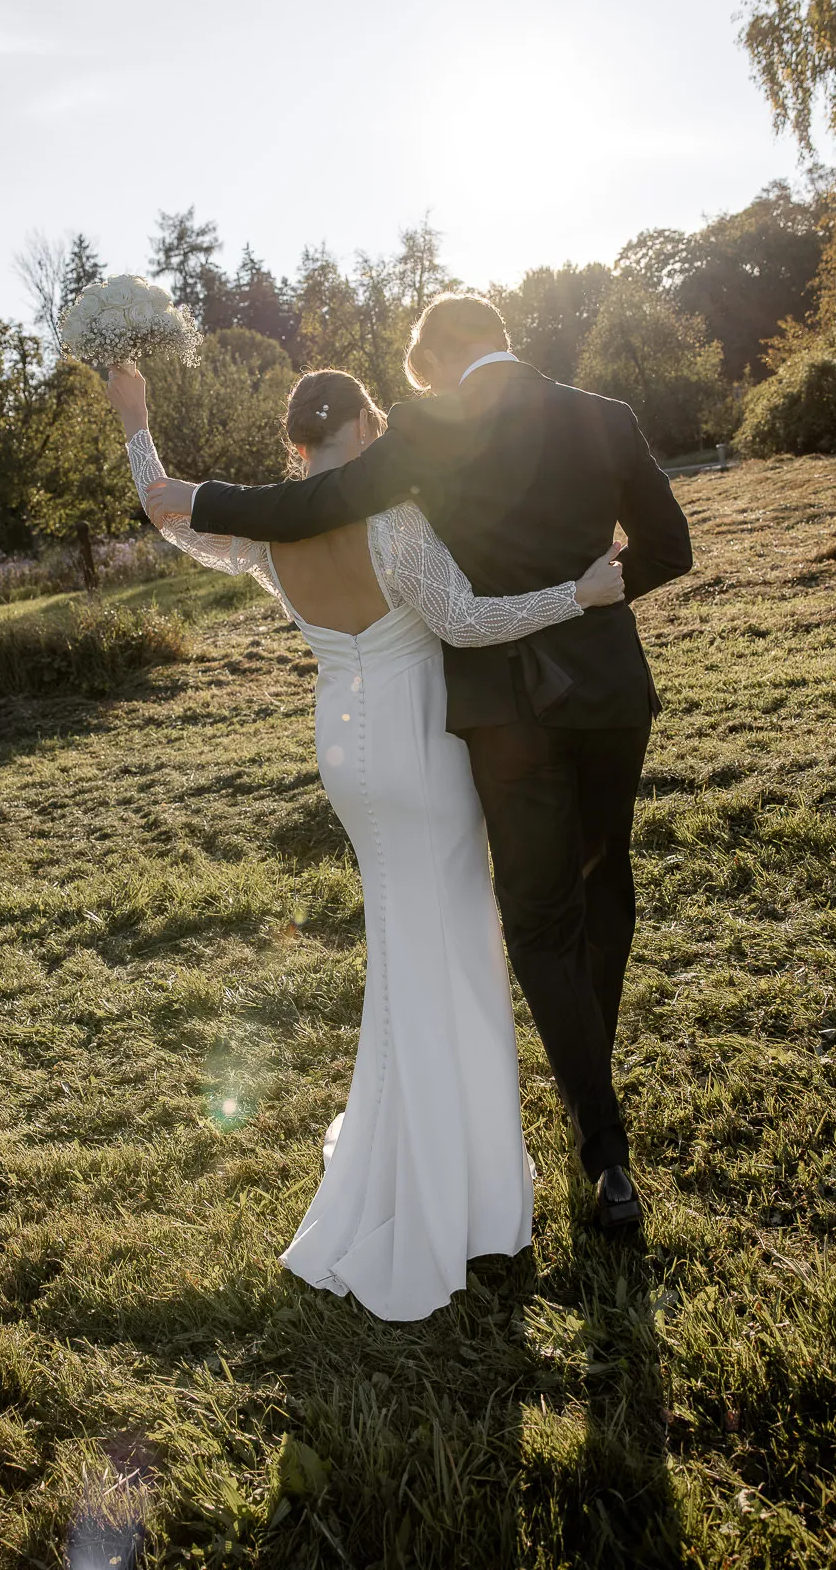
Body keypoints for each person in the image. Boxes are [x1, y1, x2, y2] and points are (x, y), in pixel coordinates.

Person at [106, 361, 626, 1322]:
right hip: (424, 751)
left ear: (296, 443)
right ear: (370, 424)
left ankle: (425, 1149)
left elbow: (163, 510)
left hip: (346, 751)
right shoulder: (392, 518)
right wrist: (579, 594)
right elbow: (466, 623)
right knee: (455, 949)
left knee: (401, 950)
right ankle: (453, 1188)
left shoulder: (264, 529)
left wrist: (135, 417)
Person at [186, 295, 694, 1230]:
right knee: (602, 888)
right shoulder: (604, 416)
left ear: (424, 363)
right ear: (504, 339)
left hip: (506, 711)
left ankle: (602, 1145)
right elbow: (672, 547)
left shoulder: (426, 426)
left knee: (539, 922)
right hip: (610, 694)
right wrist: (598, 596)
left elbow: (319, 502)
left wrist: (196, 501)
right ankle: (592, 1090)